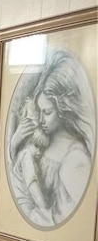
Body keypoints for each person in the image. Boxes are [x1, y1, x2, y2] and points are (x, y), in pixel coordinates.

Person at [7, 49, 95, 229]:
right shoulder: (41, 141)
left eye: (47, 112)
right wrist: (15, 142)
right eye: (39, 111)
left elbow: (64, 219)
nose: (40, 120)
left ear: (63, 109)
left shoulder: (76, 159)